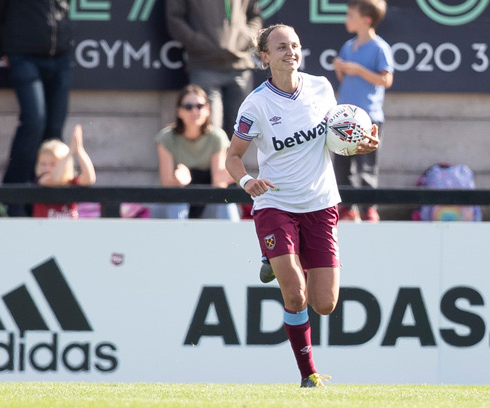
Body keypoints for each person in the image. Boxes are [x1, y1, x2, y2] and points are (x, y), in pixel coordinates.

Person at [225, 24, 380, 388]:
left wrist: (358, 144)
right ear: (264, 57)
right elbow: (233, 155)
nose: (290, 51)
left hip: (321, 204)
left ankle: (275, 258)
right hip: (275, 203)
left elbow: (338, 138)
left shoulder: (322, 88)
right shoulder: (256, 105)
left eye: (294, 45)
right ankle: (307, 374)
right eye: (280, 47)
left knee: (324, 304)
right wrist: (247, 181)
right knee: (295, 294)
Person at [0, 0, 74, 217]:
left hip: (60, 57)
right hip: (23, 55)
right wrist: (9, 43)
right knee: (34, 121)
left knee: (54, 131)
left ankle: (46, 199)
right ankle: (12, 195)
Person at [332, 0, 393, 222]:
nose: (346, 20)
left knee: (366, 167)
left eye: (350, 16)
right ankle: (347, 208)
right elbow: (343, 80)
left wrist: (357, 69)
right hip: (344, 117)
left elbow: (385, 79)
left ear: (366, 20)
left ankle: (368, 209)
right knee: (342, 166)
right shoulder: (348, 46)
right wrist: (341, 69)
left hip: (369, 117)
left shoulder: (380, 47)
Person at [166, 0, 263, 138]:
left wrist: (245, 37)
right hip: (204, 65)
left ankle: (229, 161)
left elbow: (255, 16)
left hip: (240, 66)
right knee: (210, 131)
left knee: (241, 134)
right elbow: (175, 18)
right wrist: (197, 41)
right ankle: (214, 161)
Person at [153, 84, 237, 219]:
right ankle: (178, 239)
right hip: (170, 205)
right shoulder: (166, 137)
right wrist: (179, 181)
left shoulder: (217, 136)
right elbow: (166, 181)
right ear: (179, 111)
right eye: (188, 107)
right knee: (178, 195)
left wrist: (230, 177)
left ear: (208, 109)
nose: (194, 111)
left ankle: (234, 240)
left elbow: (218, 182)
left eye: (199, 106)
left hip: (205, 203)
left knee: (225, 200)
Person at [32, 124, 96, 219]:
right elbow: (55, 179)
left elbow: (89, 179)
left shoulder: (70, 182)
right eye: (43, 163)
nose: (46, 168)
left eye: (52, 164)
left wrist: (79, 150)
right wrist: (70, 152)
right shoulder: (41, 180)